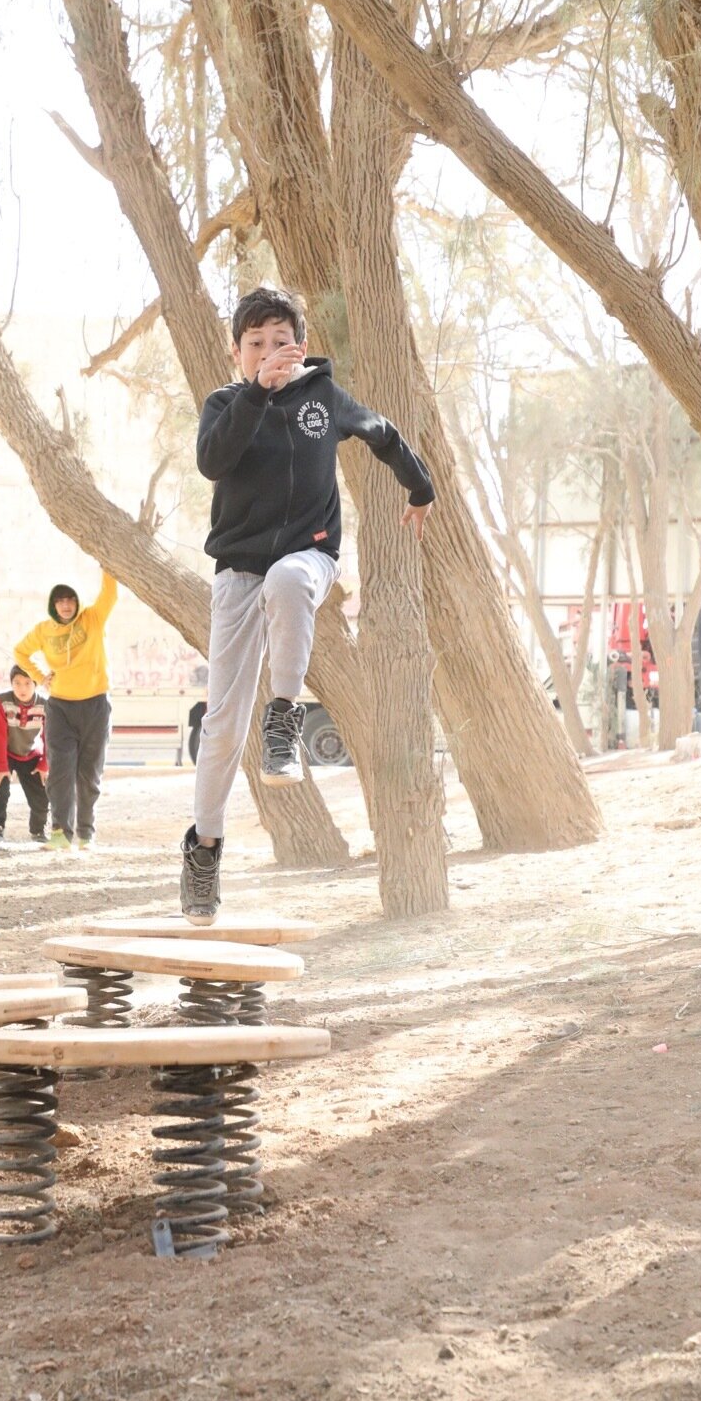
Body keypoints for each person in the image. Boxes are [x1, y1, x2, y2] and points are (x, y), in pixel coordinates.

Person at [180, 285, 435, 923]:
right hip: (237, 572)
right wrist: (256, 395)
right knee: (220, 725)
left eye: (280, 341)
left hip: (308, 556)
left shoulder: (323, 397)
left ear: (300, 345)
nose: (270, 353)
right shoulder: (224, 405)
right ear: (237, 353)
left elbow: (382, 434)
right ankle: (204, 848)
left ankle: (286, 715)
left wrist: (420, 490)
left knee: (289, 581)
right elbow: (214, 462)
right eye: (255, 344)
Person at [14, 573, 117, 849]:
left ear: (77, 601)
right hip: (60, 707)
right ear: (53, 605)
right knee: (60, 771)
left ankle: (85, 833)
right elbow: (20, 652)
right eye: (59, 601)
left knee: (89, 773)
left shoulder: (92, 619)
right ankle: (60, 833)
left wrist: (105, 560)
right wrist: (39, 677)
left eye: (70, 599)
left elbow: (110, 594)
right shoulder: (43, 630)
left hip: (95, 705)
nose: (65, 605)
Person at [0, 665, 50, 844]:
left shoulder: (45, 705)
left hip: (29, 753)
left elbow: (50, 737)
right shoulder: (2, 701)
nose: (22, 688)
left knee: (41, 791)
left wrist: (44, 764)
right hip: (2, 752)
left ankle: (38, 830)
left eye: (27, 683)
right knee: (1, 788)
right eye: (17, 683)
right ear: (11, 683)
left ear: (35, 684)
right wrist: (1, 766)